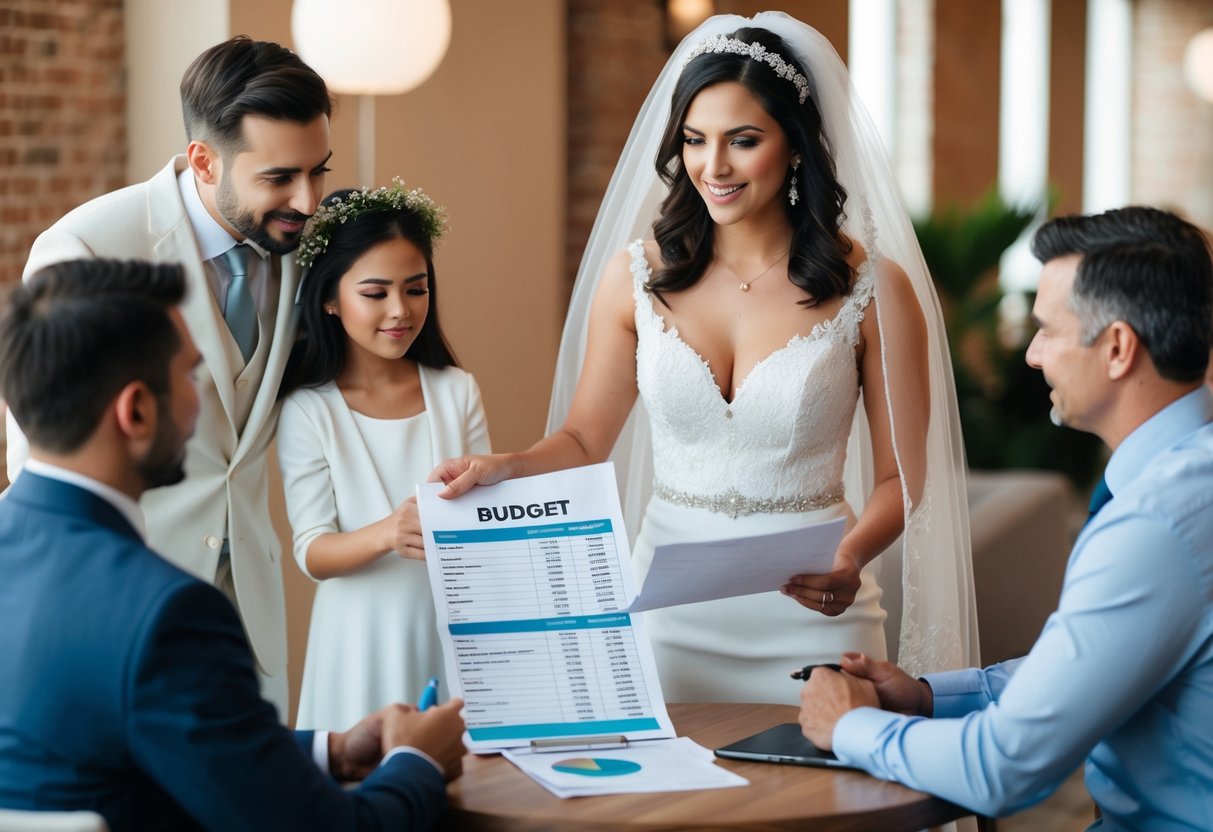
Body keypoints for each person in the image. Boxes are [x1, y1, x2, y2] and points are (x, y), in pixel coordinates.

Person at [430, 11, 978, 705]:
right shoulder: (633, 278)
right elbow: (581, 439)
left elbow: (900, 478)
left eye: (742, 141)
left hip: (810, 611)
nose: (711, 167)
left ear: (796, 146)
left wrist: (848, 558)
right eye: (694, 140)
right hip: (665, 618)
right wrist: (502, 466)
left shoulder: (873, 287)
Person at [0, 259, 466, 831]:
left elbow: (133, 740)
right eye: (191, 377)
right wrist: (416, 760)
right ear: (137, 410)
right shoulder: (168, 615)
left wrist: (333, 749)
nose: (203, 405)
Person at [798, 206, 1213, 828]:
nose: (1033, 356)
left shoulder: (1157, 525)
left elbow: (1002, 769)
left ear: (1119, 348)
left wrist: (851, 725)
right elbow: (1097, 657)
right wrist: (927, 697)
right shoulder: (1185, 481)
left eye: (1047, 330)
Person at [4, 36, 333, 716]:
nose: (307, 199)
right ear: (203, 160)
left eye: (318, 171)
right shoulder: (89, 248)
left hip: (248, 616)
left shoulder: (303, 244)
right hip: (118, 610)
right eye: (279, 178)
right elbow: (39, 451)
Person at [277, 181, 490, 731]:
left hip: (449, 629)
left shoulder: (456, 390)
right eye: (375, 294)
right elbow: (312, 550)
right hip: (357, 640)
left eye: (416, 289)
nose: (400, 310)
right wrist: (387, 533)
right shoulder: (308, 409)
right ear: (329, 298)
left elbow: (487, 522)